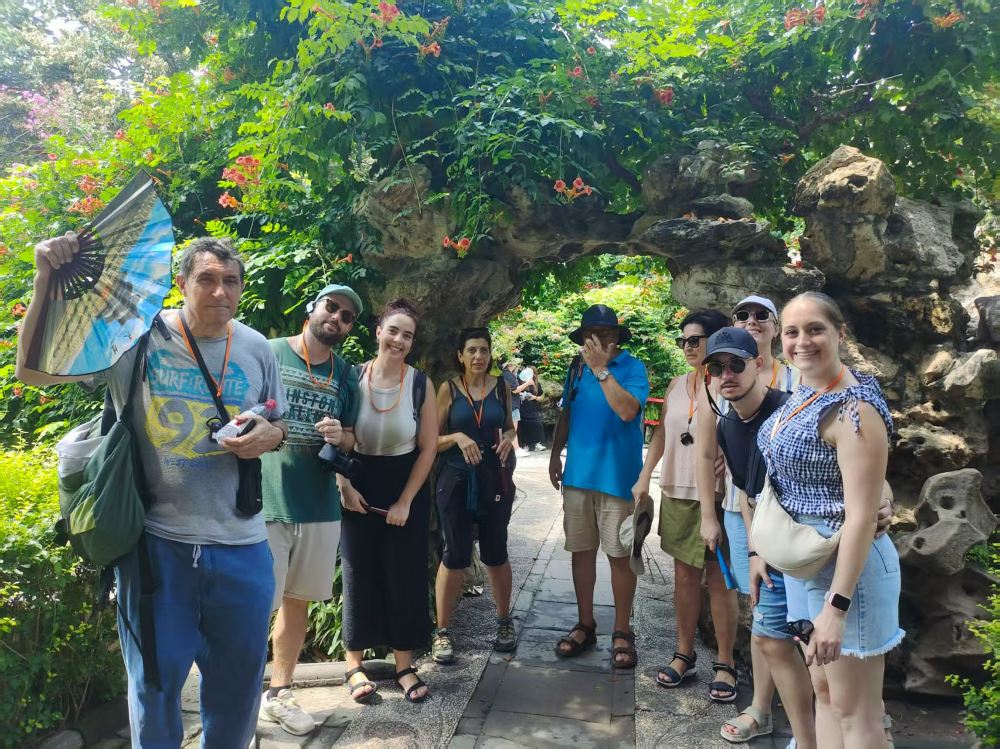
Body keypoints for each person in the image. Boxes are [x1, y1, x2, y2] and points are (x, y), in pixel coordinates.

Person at [17, 234, 288, 748]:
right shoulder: (136, 337)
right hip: (158, 549)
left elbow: (279, 420)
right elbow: (32, 372)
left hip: (243, 547)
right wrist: (44, 279)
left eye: (231, 281)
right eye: (206, 279)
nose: (220, 291)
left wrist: (270, 435)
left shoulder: (256, 347)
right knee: (154, 689)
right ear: (181, 283)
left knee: (238, 691)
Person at [757, 291, 902, 749]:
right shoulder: (806, 390)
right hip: (805, 562)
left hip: (847, 573)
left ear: (840, 333)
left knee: (857, 713)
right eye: (793, 332)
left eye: (815, 329)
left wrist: (836, 610)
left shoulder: (853, 407)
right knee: (824, 691)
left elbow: (860, 517)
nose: (803, 341)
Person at [699, 327, 816, 747]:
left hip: (813, 547)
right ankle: (804, 736)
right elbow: (748, 494)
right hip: (772, 546)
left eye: (736, 364)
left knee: (819, 652)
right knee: (769, 638)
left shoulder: (791, 411)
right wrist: (754, 551)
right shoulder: (728, 424)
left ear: (759, 365)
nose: (726, 374)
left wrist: (883, 500)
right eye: (717, 368)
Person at [257, 283, 362, 735]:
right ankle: (237, 694)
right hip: (266, 501)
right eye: (331, 307)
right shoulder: (269, 352)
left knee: (296, 602)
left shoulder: (347, 374)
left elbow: (354, 438)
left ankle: (279, 693)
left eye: (346, 316)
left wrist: (342, 436)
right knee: (254, 604)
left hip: (319, 506)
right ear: (313, 307)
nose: (336, 318)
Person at [632, 309, 738, 701]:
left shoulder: (731, 380)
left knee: (721, 579)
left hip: (719, 494)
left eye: (695, 340)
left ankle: (726, 661)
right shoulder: (678, 383)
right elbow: (662, 433)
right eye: (683, 341)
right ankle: (684, 653)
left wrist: (731, 455)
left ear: (716, 339)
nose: (687, 347)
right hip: (677, 488)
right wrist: (645, 475)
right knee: (683, 576)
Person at [337, 299, 437, 704]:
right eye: (393, 330)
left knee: (404, 575)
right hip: (358, 480)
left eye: (407, 335)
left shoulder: (420, 384)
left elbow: (428, 448)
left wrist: (406, 501)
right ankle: (353, 664)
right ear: (378, 332)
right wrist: (344, 485)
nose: (398, 340)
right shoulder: (352, 376)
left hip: (404, 482)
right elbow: (341, 437)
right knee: (357, 572)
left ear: (412, 343)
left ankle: (404, 666)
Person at [549, 304, 650, 669]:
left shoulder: (633, 368)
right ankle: (585, 624)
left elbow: (627, 410)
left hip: (618, 479)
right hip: (578, 476)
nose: (598, 341)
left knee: (619, 555)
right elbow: (568, 412)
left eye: (605, 335)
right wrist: (555, 454)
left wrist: (601, 370)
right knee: (581, 551)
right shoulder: (575, 368)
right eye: (591, 335)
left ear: (616, 338)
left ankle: (622, 630)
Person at [433, 327, 518, 663]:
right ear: (460, 355)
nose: (478, 356)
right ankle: (442, 631)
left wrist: (509, 438)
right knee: (455, 553)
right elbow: (429, 440)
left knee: (496, 552)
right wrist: (457, 437)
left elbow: (509, 426)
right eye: (471, 350)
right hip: (455, 480)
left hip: (495, 480)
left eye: (483, 350)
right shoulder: (449, 389)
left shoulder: (502, 387)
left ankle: (504, 622)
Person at [514, 365, 544, 451]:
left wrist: (535, 397)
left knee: (537, 424)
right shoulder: (520, 382)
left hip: (532, 407)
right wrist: (522, 395)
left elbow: (541, 397)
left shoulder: (537, 384)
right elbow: (515, 391)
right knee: (524, 425)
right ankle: (526, 444)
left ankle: (537, 443)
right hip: (522, 406)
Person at [501, 358, 525, 455]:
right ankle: (516, 449)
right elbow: (515, 390)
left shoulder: (503, 374)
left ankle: (513, 449)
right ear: (510, 365)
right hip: (512, 405)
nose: (517, 366)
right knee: (513, 428)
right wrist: (528, 383)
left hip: (507, 404)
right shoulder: (509, 375)